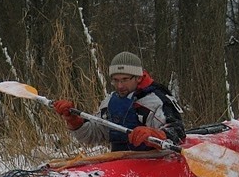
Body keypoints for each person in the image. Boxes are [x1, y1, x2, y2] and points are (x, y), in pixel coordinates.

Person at [53, 51, 185, 152]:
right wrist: (74, 121)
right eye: (115, 80)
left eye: (125, 79)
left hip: (153, 161)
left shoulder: (157, 100)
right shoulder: (110, 101)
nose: (120, 86)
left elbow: (177, 132)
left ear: (138, 77)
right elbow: (93, 135)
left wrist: (155, 134)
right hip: (121, 162)